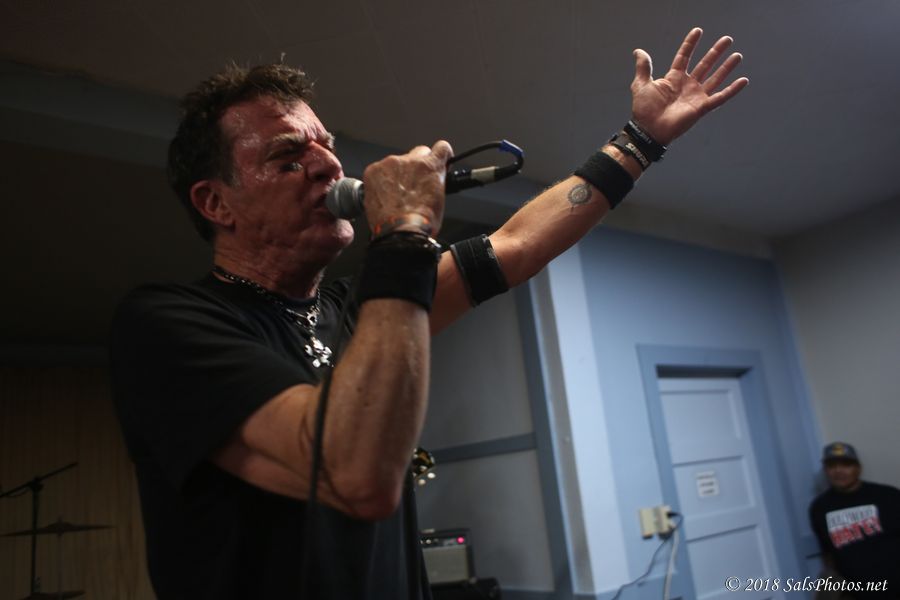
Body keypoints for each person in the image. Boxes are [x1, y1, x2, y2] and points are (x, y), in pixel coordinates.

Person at [110, 27, 748, 599]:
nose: (329, 164)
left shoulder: (357, 307)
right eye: (287, 156)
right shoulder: (166, 325)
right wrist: (405, 232)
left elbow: (517, 245)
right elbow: (355, 474)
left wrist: (640, 141)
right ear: (216, 203)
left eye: (326, 145)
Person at [809, 442, 900, 598]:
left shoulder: (888, 496)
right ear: (826, 470)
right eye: (832, 466)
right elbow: (828, 553)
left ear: (858, 468)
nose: (838, 471)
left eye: (846, 464)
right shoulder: (819, 507)